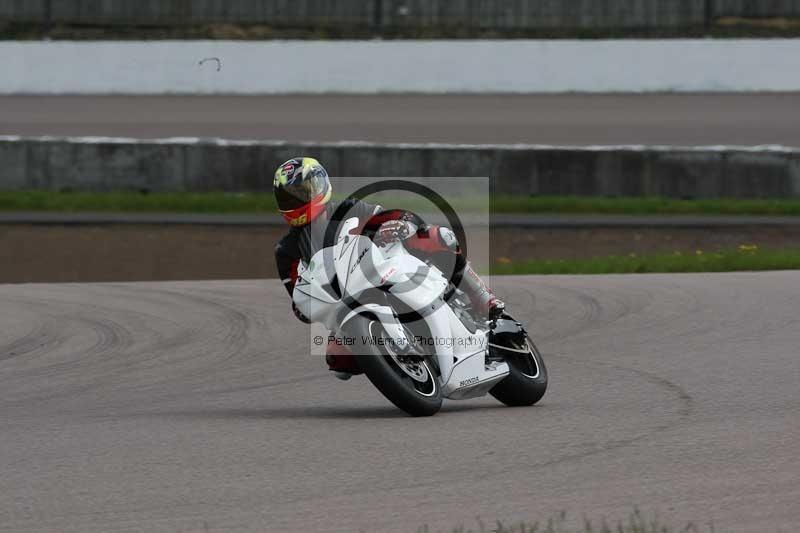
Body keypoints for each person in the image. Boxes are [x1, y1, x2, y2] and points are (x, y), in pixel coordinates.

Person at [273, 157, 504, 379]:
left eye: (303, 192)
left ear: (321, 186)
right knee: (339, 359)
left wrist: (400, 224)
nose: (298, 201)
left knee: (435, 236)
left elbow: (389, 215)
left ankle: (481, 295)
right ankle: (398, 367)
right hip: (346, 301)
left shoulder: (348, 209)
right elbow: (298, 296)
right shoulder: (286, 251)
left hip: (383, 269)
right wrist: (305, 304)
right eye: (290, 198)